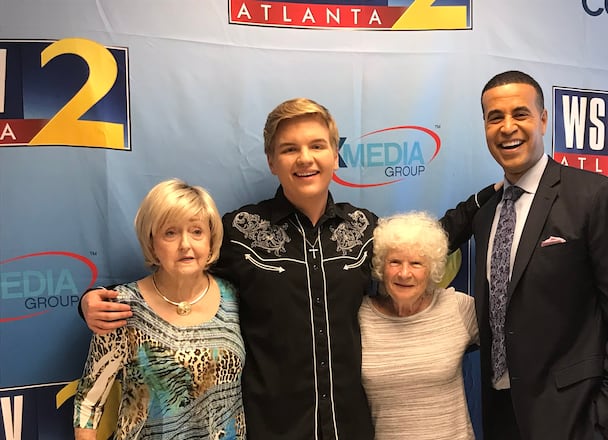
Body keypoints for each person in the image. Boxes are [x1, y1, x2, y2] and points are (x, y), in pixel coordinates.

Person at [80, 98, 497, 439]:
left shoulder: (363, 227)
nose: (305, 158)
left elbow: (419, 248)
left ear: (336, 154)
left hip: (350, 427)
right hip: (271, 429)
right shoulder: (240, 231)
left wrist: (484, 200)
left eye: (317, 145)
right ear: (271, 161)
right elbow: (177, 267)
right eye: (289, 149)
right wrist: (91, 302)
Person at [471, 70, 608, 440]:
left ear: (542, 119)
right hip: (502, 418)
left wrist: (606, 424)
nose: (508, 128)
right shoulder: (487, 214)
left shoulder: (596, 198)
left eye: (520, 114)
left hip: (577, 419)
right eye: (495, 118)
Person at [73, 179, 245, 439]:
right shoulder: (123, 307)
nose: (185, 244)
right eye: (170, 233)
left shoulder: (235, 298)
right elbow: (89, 401)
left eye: (196, 231)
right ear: (152, 243)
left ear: (211, 239)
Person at [359, 211, 478, 440]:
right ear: (380, 267)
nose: (404, 273)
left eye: (416, 263)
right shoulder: (359, 317)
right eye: (395, 262)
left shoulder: (456, 307)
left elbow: (513, 342)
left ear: (432, 269)